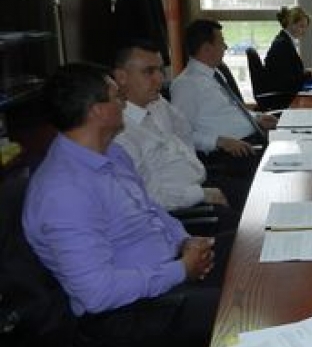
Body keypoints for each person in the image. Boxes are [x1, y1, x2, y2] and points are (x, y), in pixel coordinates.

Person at [22, 63, 224, 346]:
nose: (125, 102)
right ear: (97, 111)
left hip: (167, 270)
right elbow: (97, 293)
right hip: (128, 312)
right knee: (246, 307)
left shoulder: (113, 154)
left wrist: (186, 241)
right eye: (117, 96)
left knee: (253, 255)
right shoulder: (62, 192)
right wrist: (180, 270)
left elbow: (151, 210)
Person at [112, 40, 241, 229]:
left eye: (160, 70)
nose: (159, 79)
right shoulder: (118, 132)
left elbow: (184, 132)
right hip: (179, 212)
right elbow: (146, 197)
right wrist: (200, 194)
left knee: (263, 197)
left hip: (201, 183)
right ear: (121, 77)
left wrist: (190, 167)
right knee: (255, 229)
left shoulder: (158, 103)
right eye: (148, 72)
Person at [171, 19, 276, 157]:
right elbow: (179, 134)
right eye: (221, 43)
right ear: (207, 49)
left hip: (254, 138)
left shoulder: (215, 74)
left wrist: (257, 118)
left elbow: (230, 112)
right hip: (231, 152)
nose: (225, 47)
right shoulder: (186, 85)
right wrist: (219, 142)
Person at [261, 6, 312, 94]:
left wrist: (307, 72)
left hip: (283, 88)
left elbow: (289, 71)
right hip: (283, 93)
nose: (304, 31)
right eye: (301, 26)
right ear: (291, 24)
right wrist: (311, 74)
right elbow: (289, 79)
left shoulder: (284, 40)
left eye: (305, 27)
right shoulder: (283, 45)